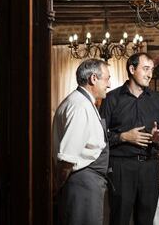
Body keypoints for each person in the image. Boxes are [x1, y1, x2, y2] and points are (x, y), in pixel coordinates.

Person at [99, 52, 159, 225]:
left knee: (146, 221)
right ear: (132, 69)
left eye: (152, 70)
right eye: (145, 69)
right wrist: (123, 137)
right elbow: (99, 136)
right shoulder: (111, 99)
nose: (150, 74)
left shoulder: (156, 100)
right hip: (121, 167)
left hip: (150, 167)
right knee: (119, 219)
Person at [53, 58, 111, 225]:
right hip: (82, 184)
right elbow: (67, 159)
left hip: (86, 184)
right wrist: (59, 187)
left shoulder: (83, 102)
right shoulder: (80, 106)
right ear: (93, 78)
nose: (109, 84)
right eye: (107, 78)